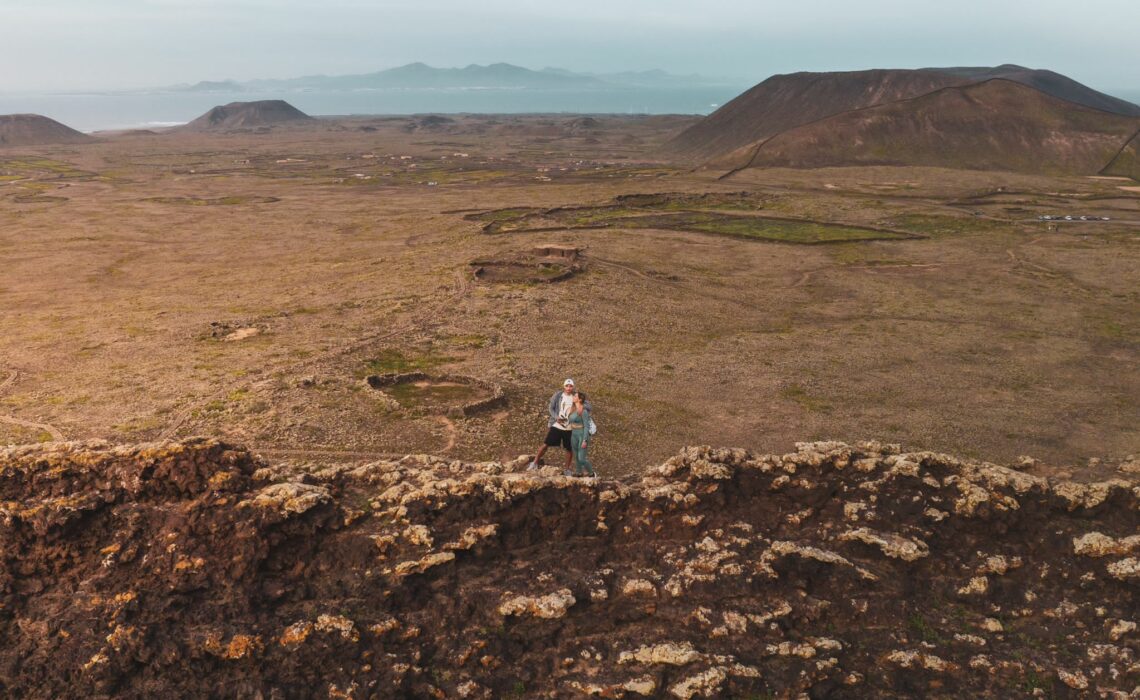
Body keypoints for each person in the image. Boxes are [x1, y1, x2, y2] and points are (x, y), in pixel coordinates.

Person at [527, 378, 591, 471]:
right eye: (567, 386)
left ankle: (567, 469)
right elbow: (551, 408)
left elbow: (589, 406)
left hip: (570, 428)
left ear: (573, 387)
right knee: (546, 444)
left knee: (569, 449)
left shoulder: (576, 396)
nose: (568, 388)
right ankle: (535, 462)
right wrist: (556, 417)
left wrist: (579, 404)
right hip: (557, 424)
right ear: (564, 386)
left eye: (570, 386)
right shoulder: (558, 395)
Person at [566, 391, 595, 477]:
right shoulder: (573, 409)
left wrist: (585, 440)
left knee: (581, 458)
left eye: (575, 396)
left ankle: (592, 473)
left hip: (582, 434)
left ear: (580, 399)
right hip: (574, 434)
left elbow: (586, 426)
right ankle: (579, 472)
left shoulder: (584, 411)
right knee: (576, 457)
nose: (573, 397)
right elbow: (569, 421)